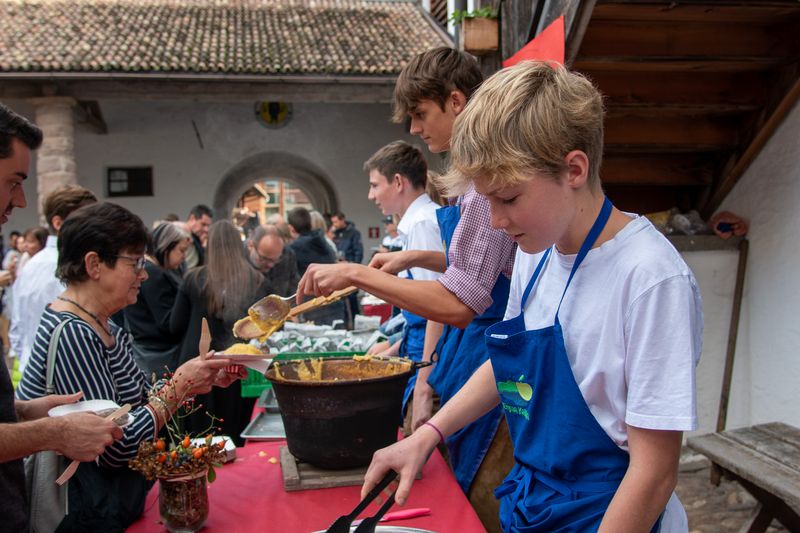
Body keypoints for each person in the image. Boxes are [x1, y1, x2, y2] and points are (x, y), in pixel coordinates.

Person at [363, 61, 701, 533]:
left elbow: (654, 471)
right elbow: (507, 366)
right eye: (488, 201)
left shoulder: (651, 279)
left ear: (574, 169)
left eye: (509, 199)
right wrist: (428, 435)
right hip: (536, 505)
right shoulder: (534, 252)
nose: (497, 222)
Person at [297, 47, 516, 527]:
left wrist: (357, 273)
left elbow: (459, 301)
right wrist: (414, 258)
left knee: (483, 497)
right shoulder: (473, 183)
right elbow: (486, 265)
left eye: (420, 114)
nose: (415, 129)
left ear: (457, 101)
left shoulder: (483, 183)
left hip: (491, 348)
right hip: (479, 348)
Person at [17, 202, 244, 529]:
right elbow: (115, 445)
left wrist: (194, 381)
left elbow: (136, 404)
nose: (144, 273)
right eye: (134, 262)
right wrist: (178, 385)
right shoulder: (73, 333)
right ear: (94, 264)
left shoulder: (102, 325)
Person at [0, 103, 122, 532]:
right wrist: (51, 433)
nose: (18, 199)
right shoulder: (72, 310)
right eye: (13, 182)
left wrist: (22, 409)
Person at [362, 141, 445, 419]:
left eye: (375, 185)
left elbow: (438, 307)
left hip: (431, 367)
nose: (371, 195)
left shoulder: (422, 223)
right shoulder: (416, 223)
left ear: (398, 182)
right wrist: (396, 349)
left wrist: (423, 386)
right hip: (420, 356)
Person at [170, 220, 272, 445]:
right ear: (240, 245)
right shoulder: (257, 280)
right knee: (233, 436)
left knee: (196, 442)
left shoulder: (193, 279)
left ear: (210, 245)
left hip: (198, 363)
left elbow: (175, 325)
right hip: (235, 366)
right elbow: (264, 329)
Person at [10, 184, 97, 373]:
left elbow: (16, 329)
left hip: (33, 369)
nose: (94, 228)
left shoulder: (31, 265)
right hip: (61, 374)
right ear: (58, 223)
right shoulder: (66, 265)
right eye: (86, 220)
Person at [124, 222, 191, 377]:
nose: (184, 256)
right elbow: (167, 321)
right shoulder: (154, 274)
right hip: (159, 354)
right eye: (181, 250)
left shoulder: (155, 270)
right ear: (166, 247)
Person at [288, 207, 345, 326]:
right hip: (333, 303)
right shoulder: (323, 241)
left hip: (316, 307)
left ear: (291, 228)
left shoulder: (295, 248)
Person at [247, 224, 299, 297]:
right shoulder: (238, 260)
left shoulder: (287, 255)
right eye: (264, 258)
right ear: (250, 245)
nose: (271, 265)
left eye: (276, 259)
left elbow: (294, 286)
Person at [183, 204, 213, 269]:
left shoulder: (197, 239)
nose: (206, 229)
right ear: (192, 219)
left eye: (208, 226)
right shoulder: (181, 235)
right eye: (203, 224)